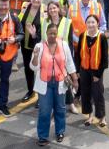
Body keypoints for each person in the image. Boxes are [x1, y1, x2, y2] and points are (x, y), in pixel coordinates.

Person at [31, 14, 78, 145]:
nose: (52, 35)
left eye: (55, 33)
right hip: (44, 84)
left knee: (60, 109)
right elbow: (33, 67)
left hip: (60, 83)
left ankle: (60, 132)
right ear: (46, 33)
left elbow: (69, 63)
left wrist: (75, 80)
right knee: (45, 111)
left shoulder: (63, 45)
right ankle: (43, 136)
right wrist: (35, 56)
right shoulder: (39, 47)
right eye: (50, 33)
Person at [75, 14, 109, 126]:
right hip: (84, 70)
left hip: (96, 72)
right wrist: (78, 71)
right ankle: (89, 116)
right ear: (86, 24)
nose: (91, 24)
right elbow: (78, 55)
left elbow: (104, 59)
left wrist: (98, 75)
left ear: (97, 24)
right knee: (85, 93)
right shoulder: (82, 36)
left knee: (98, 94)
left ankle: (102, 117)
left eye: (93, 22)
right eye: (88, 22)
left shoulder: (102, 37)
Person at [19, 0, 45, 102]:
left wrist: (35, 35)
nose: (36, 0)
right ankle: (30, 91)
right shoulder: (25, 7)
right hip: (25, 45)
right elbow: (20, 22)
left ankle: (41, 96)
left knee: (40, 71)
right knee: (28, 69)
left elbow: (46, 29)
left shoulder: (45, 11)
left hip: (38, 46)